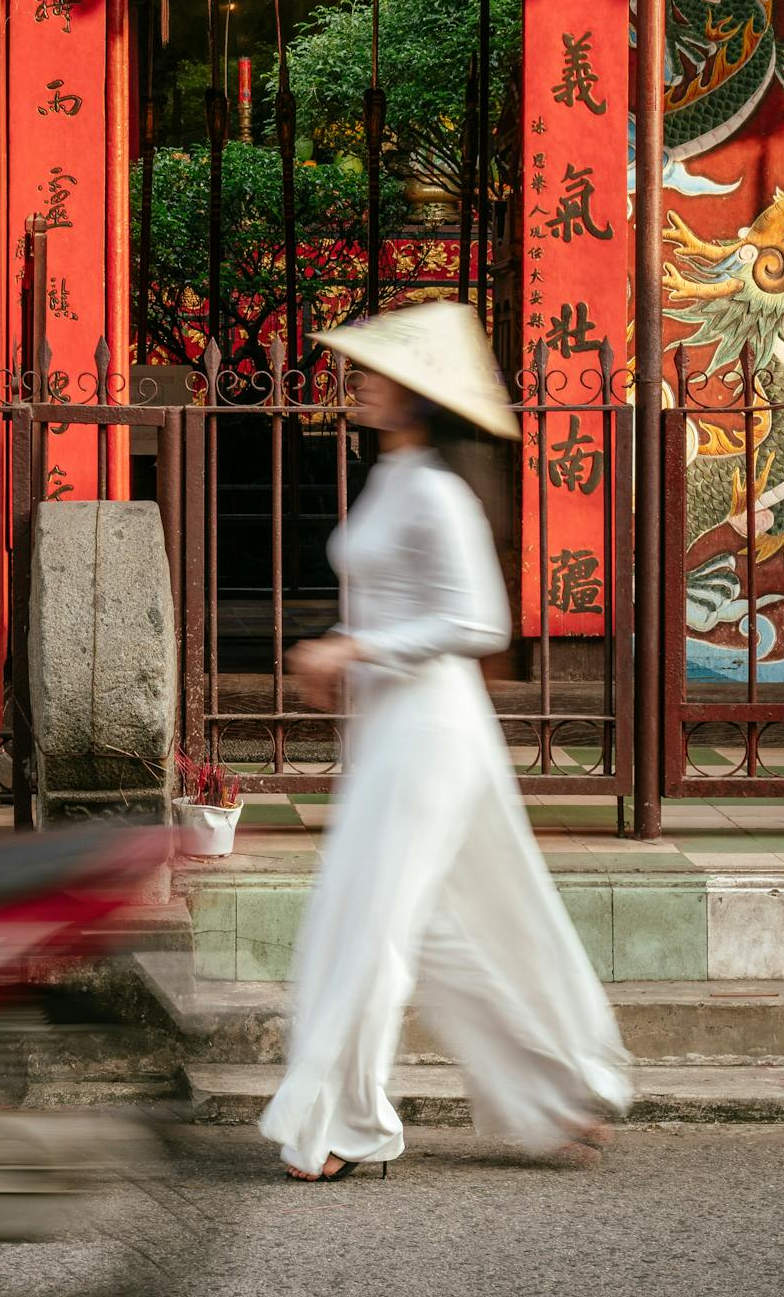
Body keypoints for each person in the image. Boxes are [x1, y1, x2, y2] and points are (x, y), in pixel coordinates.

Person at [259, 302, 632, 1182]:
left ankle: (346, 1125)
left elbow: (478, 618)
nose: (358, 379)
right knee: (427, 929)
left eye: (374, 370)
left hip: (432, 732)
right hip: (392, 729)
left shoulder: (435, 490)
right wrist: (350, 652)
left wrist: (356, 645)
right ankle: (553, 1092)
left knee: (374, 921)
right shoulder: (390, 479)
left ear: (415, 394)